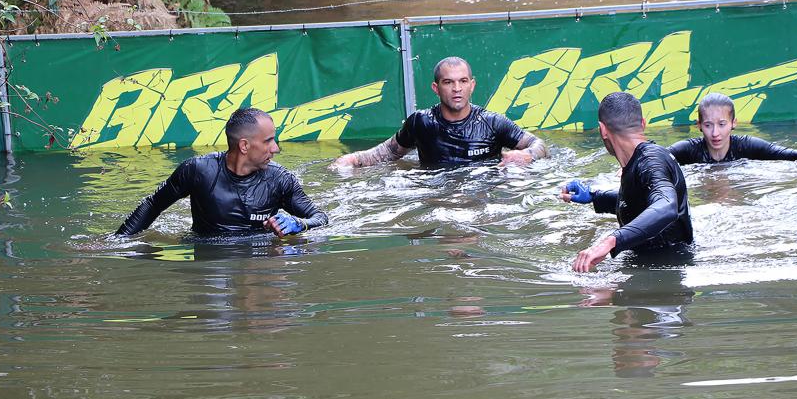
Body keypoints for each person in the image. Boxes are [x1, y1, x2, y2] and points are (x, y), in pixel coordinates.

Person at [115, 108, 328, 238]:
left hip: (259, 265)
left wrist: (300, 224)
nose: (276, 148)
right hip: (209, 259)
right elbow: (153, 204)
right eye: (268, 141)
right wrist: (118, 242)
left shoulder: (280, 179)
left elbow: (321, 218)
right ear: (244, 146)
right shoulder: (198, 170)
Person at [331, 56, 548, 169]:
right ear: (436, 88)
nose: (456, 89)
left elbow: (540, 145)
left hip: (482, 195)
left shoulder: (492, 122)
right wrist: (352, 159)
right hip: (435, 194)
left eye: (463, 81)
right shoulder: (421, 122)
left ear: (472, 85)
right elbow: (387, 153)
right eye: (448, 82)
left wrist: (527, 155)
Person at [560, 91, 693, 272]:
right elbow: (641, 202)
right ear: (643, 123)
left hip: (664, 274)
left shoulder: (650, 162)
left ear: (603, 130)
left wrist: (610, 241)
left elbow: (666, 205)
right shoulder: (639, 162)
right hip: (654, 267)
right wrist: (594, 197)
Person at [668, 92, 797, 172]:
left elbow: (791, 154)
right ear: (698, 125)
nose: (715, 133)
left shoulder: (747, 146)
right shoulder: (687, 150)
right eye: (708, 125)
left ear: (733, 123)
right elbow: (654, 158)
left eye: (722, 124)